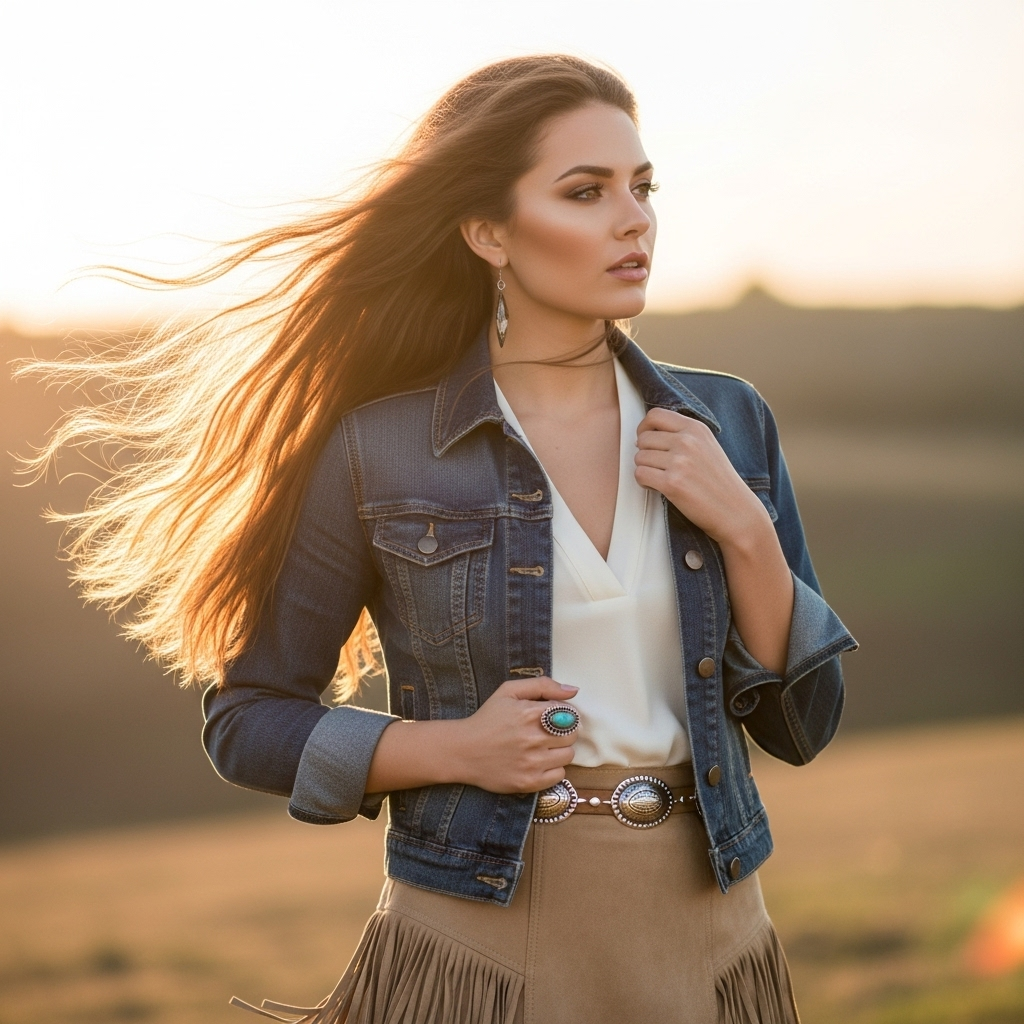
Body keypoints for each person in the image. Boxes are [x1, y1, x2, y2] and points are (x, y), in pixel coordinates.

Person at [24, 55, 855, 1023]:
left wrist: (746, 529)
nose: (634, 220)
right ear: (487, 230)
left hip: (714, 939)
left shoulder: (729, 422)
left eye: (642, 187)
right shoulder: (379, 451)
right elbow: (247, 719)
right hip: (479, 942)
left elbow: (806, 725)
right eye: (585, 192)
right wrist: (452, 748)